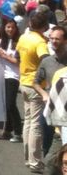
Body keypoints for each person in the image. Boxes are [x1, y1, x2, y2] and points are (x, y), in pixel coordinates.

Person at [17, 11, 50, 173]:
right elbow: (46, 60)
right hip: (36, 85)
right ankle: (35, 161)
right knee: (35, 124)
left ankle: (28, 158)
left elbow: (18, 54)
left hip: (23, 81)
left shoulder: (24, 37)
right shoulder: (40, 42)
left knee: (29, 122)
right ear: (44, 26)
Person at [34, 26, 67, 156]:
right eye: (51, 38)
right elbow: (36, 82)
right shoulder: (46, 62)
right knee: (47, 143)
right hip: (50, 107)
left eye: (57, 39)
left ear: (65, 40)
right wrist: (44, 94)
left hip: (65, 110)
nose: (53, 41)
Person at [0, 19, 22, 142]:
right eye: (8, 27)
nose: (10, 29)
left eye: (12, 27)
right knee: (5, 105)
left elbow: (18, 62)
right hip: (1, 76)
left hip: (13, 76)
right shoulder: (2, 41)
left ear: (16, 29)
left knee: (10, 104)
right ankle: (7, 130)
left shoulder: (19, 43)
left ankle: (18, 132)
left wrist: (4, 56)